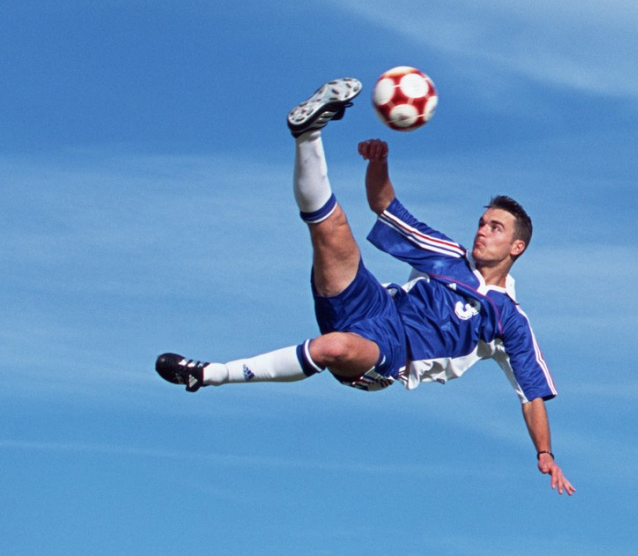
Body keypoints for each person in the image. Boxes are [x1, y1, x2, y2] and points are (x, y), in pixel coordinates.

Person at [156, 78, 574, 496]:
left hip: (392, 353)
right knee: (331, 228)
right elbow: (384, 205)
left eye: (495, 228)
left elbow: (531, 394)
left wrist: (545, 454)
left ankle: (209, 374)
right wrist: (380, 162)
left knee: (333, 348)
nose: (482, 231)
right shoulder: (448, 254)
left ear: (517, 246)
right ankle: (308, 135)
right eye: (482, 223)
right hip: (374, 303)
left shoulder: (510, 319)